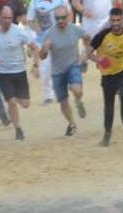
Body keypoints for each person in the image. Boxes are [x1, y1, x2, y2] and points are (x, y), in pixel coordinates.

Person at [87, 8, 123, 145]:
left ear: (122, 20)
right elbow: (87, 53)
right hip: (108, 74)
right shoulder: (103, 35)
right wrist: (98, 60)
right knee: (108, 104)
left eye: (118, 20)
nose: (115, 23)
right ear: (110, 21)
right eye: (113, 21)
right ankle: (107, 135)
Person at [0, 4, 38, 140]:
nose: (7, 21)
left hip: (19, 71)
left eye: (10, 18)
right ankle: (18, 129)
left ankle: (17, 119)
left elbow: (34, 47)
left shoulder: (20, 31)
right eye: (5, 18)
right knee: (12, 102)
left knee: (25, 104)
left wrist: (35, 65)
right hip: (3, 73)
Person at [40, 6, 88, 136]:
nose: (60, 21)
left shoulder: (75, 29)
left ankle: (78, 101)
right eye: (57, 19)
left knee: (77, 89)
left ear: (68, 16)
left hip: (73, 66)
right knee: (63, 101)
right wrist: (44, 49)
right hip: (57, 71)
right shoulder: (49, 33)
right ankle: (72, 124)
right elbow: (42, 55)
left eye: (63, 18)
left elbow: (87, 37)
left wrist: (85, 54)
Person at [26, 0, 67, 103]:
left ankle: (60, 91)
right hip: (43, 39)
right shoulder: (34, 3)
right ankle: (48, 95)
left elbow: (69, 14)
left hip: (60, 37)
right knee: (45, 69)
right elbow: (30, 20)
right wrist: (37, 30)